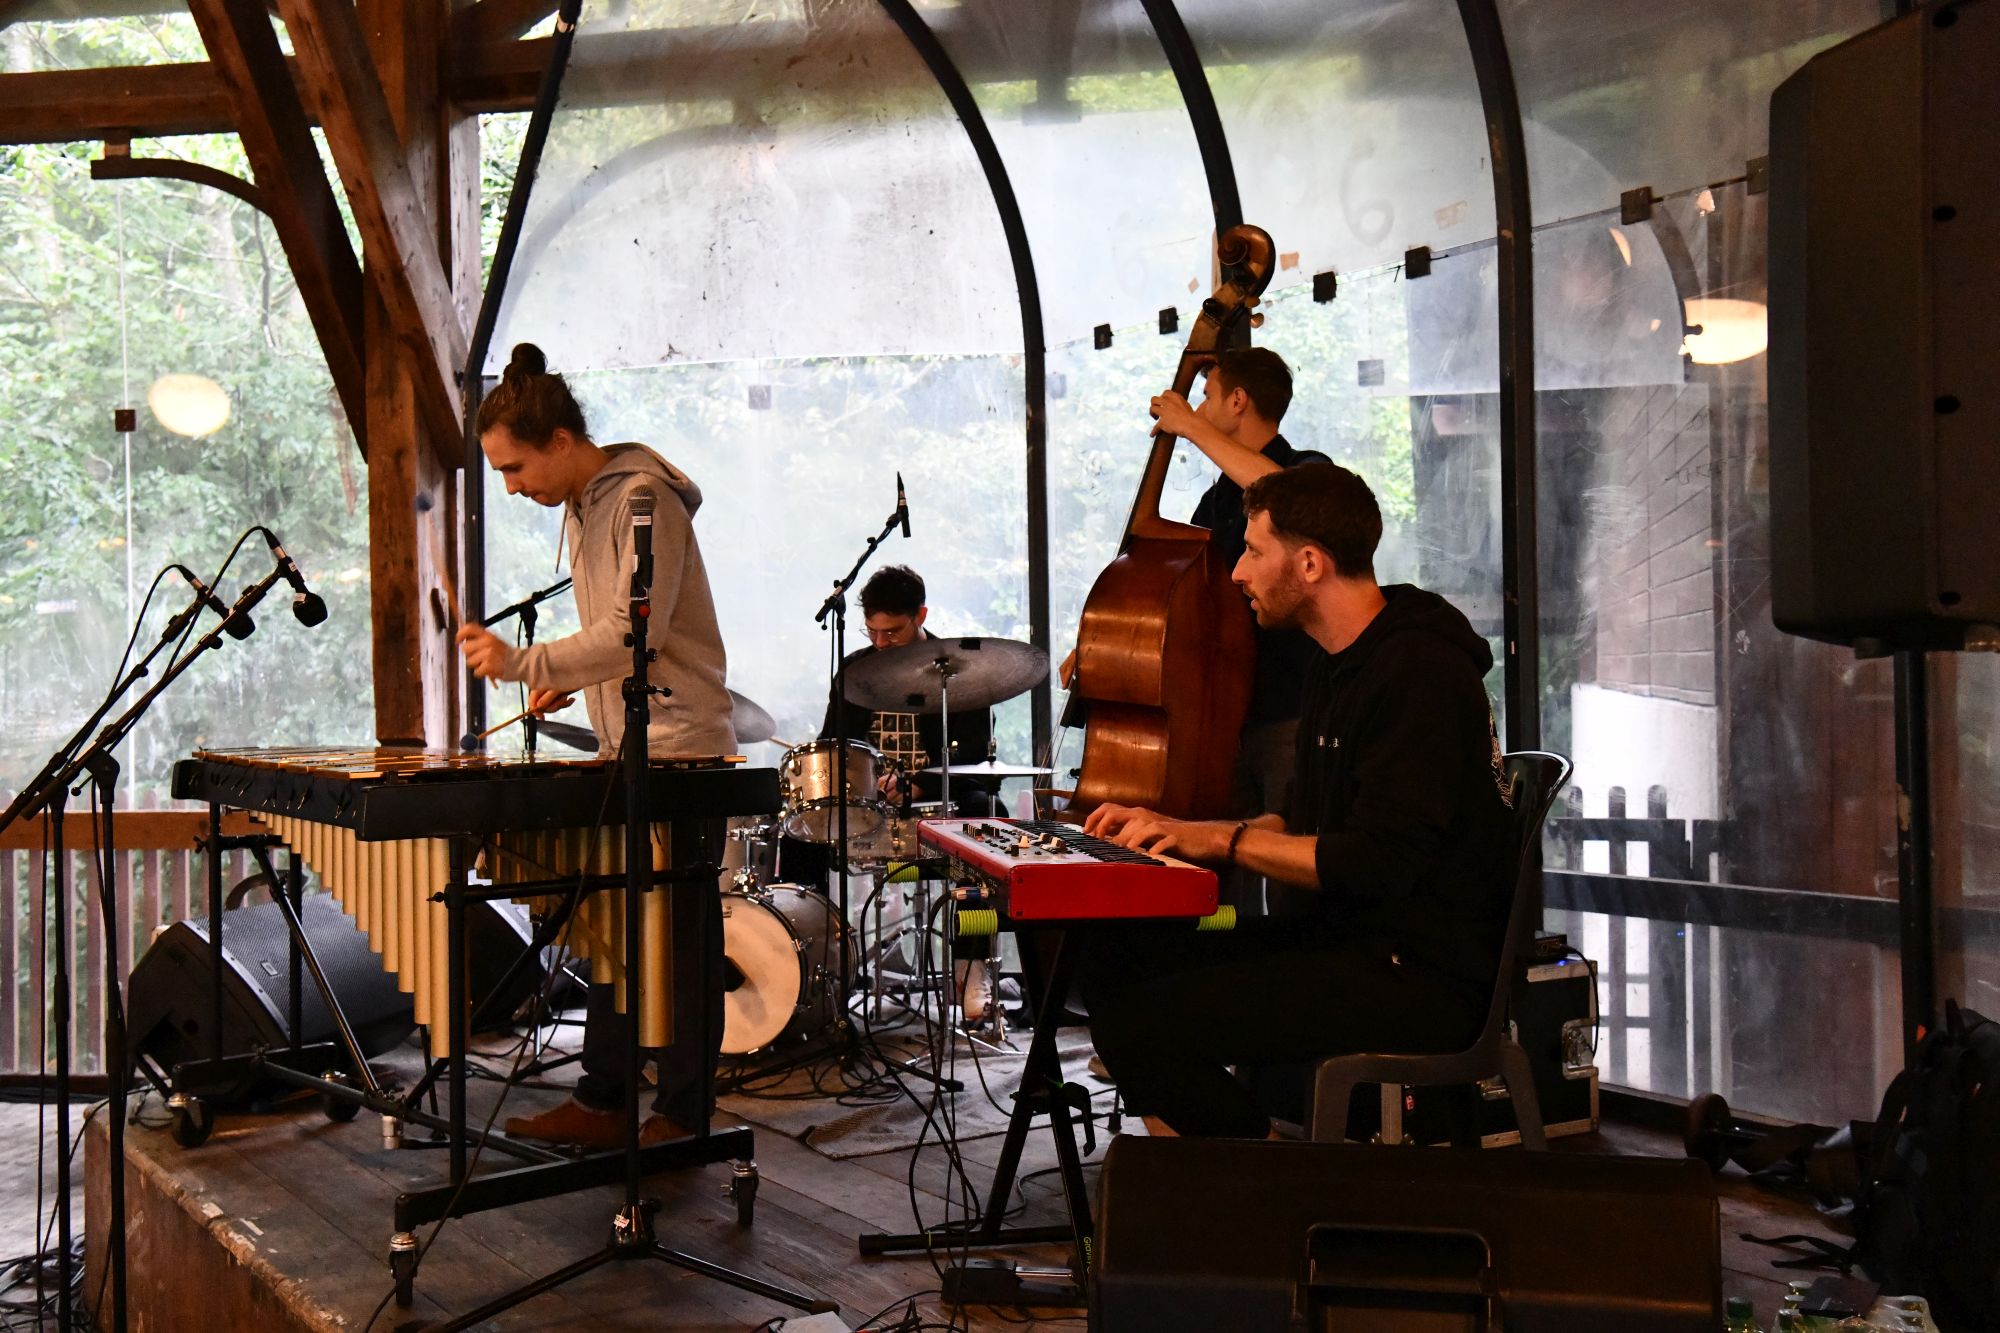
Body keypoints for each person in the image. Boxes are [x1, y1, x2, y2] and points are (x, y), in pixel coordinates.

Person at [1078, 462, 1516, 1139]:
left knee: (1148, 1020)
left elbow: (1376, 861)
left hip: (1417, 973)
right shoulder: (1334, 661)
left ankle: (1264, 1179)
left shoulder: (1418, 672)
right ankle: (1235, 1166)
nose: (1237, 573)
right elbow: (1303, 823)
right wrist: (1179, 829)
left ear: (1309, 563)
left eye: (1254, 552)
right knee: (1118, 959)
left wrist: (1223, 842)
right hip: (1343, 942)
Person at [455, 342, 734, 1150]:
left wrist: (526, 662)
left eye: (514, 468)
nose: (511, 487)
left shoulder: (643, 499)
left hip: (680, 753)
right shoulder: (584, 507)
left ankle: (684, 1115)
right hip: (629, 746)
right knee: (613, 923)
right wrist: (575, 683)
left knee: (680, 945)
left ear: (561, 441)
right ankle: (606, 1098)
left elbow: (633, 631)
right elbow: (622, 644)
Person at [1064, 347, 1329, 915]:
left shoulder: (1306, 471)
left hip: (1287, 707)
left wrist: (1189, 426)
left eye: (1206, 396)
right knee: (1219, 878)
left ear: (1238, 401)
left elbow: (1292, 502)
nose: (1199, 407)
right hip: (1220, 720)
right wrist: (1106, 642)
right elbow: (1175, 592)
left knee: (1293, 876)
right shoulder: (1217, 500)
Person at [803, 564, 1000, 1020]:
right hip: (870, 804)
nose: (880, 643)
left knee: (984, 817)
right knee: (801, 832)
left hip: (940, 801)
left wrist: (918, 782)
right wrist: (864, 782)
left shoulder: (961, 671)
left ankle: (970, 969)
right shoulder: (856, 670)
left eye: (892, 632)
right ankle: (810, 971)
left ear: (920, 615)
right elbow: (834, 742)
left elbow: (976, 757)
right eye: (872, 631)